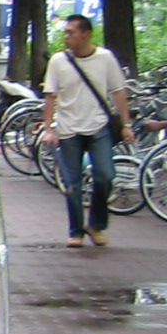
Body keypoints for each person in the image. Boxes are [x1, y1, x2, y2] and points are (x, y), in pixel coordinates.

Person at [39, 14, 131, 247]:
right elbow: (50, 95)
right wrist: (48, 128)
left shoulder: (105, 58)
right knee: (72, 183)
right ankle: (76, 231)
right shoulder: (58, 61)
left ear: (86, 34)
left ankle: (96, 225)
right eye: (66, 32)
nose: (66, 36)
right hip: (69, 129)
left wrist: (126, 125)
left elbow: (118, 92)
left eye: (71, 32)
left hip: (98, 126)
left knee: (106, 175)